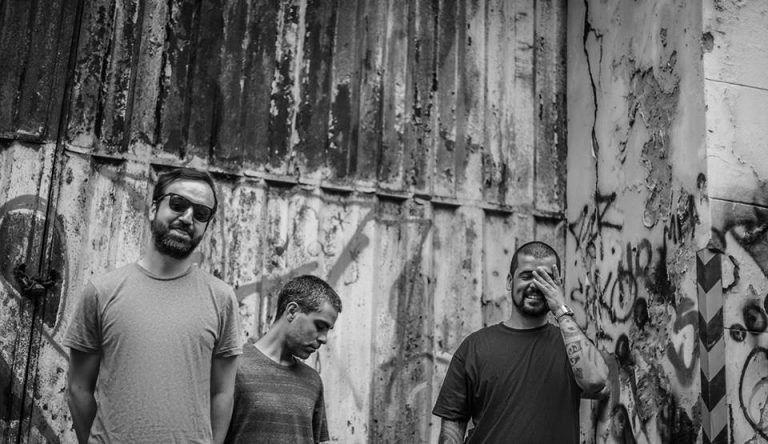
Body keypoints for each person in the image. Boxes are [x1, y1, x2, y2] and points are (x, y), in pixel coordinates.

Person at [64, 167, 243, 443]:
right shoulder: (102, 291)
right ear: (153, 209)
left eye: (201, 213)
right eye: (178, 204)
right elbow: (78, 387)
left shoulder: (221, 298)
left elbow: (223, 393)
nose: (187, 217)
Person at [433, 241, 609, 444]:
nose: (535, 285)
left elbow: (596, 381)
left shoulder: (572, 346)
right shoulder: (475, 347)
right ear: (510, 281)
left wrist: (561, 309)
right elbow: (452, 426)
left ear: (557, 285)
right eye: (527, 276)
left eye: (545, 278)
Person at [224, 275, 342, 444]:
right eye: (320, 326)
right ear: (292, 311)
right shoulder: (233, 367)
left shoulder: (313, 381)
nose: (324, 339)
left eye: (328, 330)